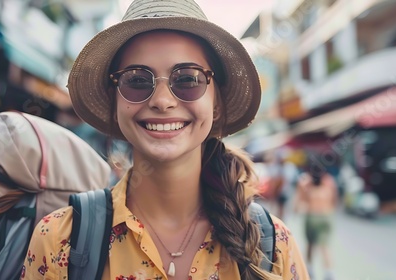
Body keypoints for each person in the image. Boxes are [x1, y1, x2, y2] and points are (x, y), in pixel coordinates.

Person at [22, 0, 309, 279]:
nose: (161, 101)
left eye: (187, 79)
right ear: (115, 103)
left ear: (216, 103)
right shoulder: (59, 241)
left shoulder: (274, 247)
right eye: (136, 80)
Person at [295, 154, 338, 280]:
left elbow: (302, 200)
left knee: (309, 245)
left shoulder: (305, 182)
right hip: (326, 216)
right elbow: (334, 200)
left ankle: (309, 269)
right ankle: (329, 273)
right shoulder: (329, 181)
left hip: (311, 216)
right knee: (324, 246)